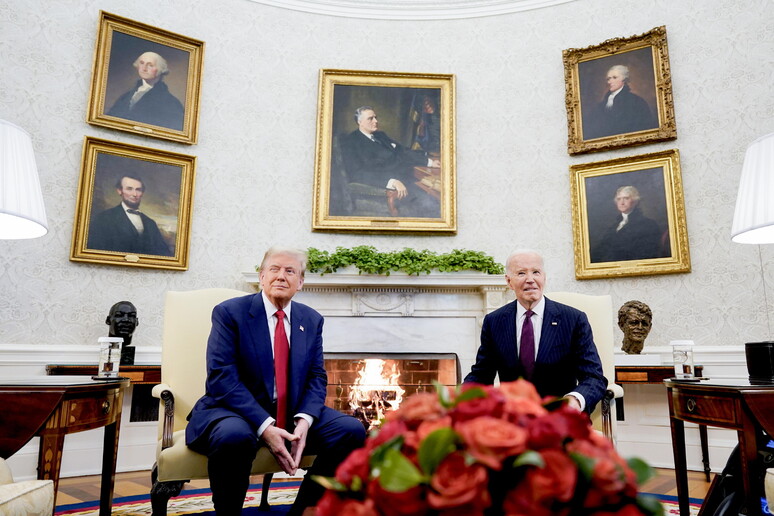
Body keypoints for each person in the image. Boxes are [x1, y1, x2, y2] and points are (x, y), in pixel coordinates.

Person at [186, 246, 366, 516]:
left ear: (301, 282)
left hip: (290, 410)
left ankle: (303, 510)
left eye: (290, 271)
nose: (282, 276)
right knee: (234, 436)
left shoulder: (311, 319)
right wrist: (266, 426)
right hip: (233, 410)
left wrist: (305, 420)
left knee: (350, 430)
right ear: (261, 276)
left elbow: (317, 376)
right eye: (275, 269)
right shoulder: (229, 313)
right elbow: (222, 378)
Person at [464, 250, 607, 414]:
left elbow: (593, 378)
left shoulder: (574, 319)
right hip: (514, 419)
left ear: (544, 278)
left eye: (536, 272)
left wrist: (573, 400)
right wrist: (457, 397)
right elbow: (482, 375)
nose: (530, 279)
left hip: (560, 418)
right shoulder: (494, 322)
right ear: (509, 281)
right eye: (521, 273)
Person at [340, 106, 441, 218]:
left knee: (435, 196)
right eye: (370, 118)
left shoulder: (380, 135)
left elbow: (402, 151)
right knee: (430, 203)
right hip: (387, 187)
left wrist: (429, 162)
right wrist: (391, 181)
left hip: (406, 179)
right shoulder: (351, 142)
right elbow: (357, 173)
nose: (376, 121)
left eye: (375, 117)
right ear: (360, 122)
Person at [88, 174, 173, 257]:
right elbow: (95, 252)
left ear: (142, 193)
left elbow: (164, 255)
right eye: (129, 189)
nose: (134, 194)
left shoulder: (151, 224)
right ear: (120, 191)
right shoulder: (103, 218)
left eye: (138, 190)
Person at [107, 51, 184, 130]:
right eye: (142, 63)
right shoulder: (126, 96)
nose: (144, 69)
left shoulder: (171, 103)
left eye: (150, 65)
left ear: (161, 70)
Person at [590, 185, 667, 263]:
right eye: (618, 199)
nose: (622, 202)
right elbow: (601, 249)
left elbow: (646, 255)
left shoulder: (648, 225)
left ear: (635, 201)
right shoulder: (614, 226)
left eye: (626, 198)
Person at [584, 64, 658, 140]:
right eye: (608, 79)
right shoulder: (602, 104)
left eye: (614, 77)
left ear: (624, 79)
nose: (610, 81)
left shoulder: (636, 102)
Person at [105, 300, 139, 365]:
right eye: (119, 315)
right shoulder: (105, 350)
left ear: (137, 322)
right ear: (108, 320)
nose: (126, 320)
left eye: (131, 316)